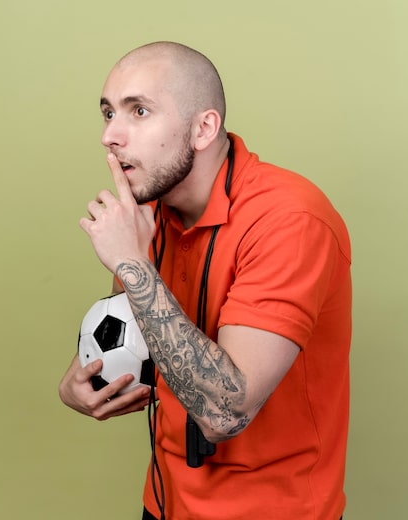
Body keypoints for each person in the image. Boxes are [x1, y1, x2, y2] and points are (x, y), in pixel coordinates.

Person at [59, 41, 351, 520]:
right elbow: (135, 332)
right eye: (108, 113)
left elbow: (224, 413)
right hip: (165, 502)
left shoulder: (290, 220)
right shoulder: (149, 214)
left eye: (139, 111)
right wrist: (83, 379)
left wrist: (131, 263)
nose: (110, 135)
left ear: (203, 128)